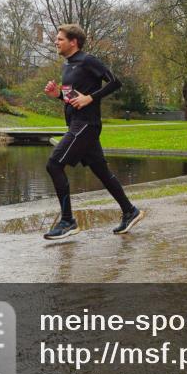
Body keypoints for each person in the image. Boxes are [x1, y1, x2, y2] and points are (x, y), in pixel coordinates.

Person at [41, 24, 144, 240]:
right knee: (101, 172)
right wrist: (58, 95)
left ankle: (68, 221)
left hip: (86, 124)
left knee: (54, 164)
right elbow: (73, 98)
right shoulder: (67, 65)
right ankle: (130, 211)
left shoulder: (88, 61)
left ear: (73, 42)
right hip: (76, 124)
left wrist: (91, 97)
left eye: (60, 39)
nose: (55, 42)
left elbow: (115, 82)